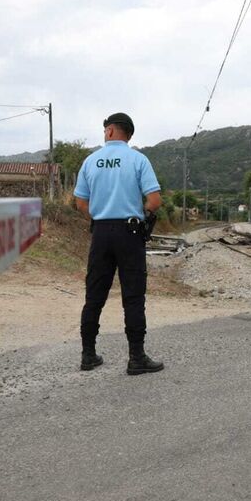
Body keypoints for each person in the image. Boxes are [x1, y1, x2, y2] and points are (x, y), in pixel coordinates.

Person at [74, 112, 163, 375]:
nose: (104, 133)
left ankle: (88, 355)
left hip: (101, 233)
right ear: (129, 134)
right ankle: (136, 358)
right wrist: (140, 215)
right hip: (130, 233)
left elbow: (80, 202)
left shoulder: (90, 161)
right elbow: (154, 201)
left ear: (111, 131)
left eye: (105, 129)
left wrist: (101, 216)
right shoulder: (138, 159)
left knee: (94, 297)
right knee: (133, 297)